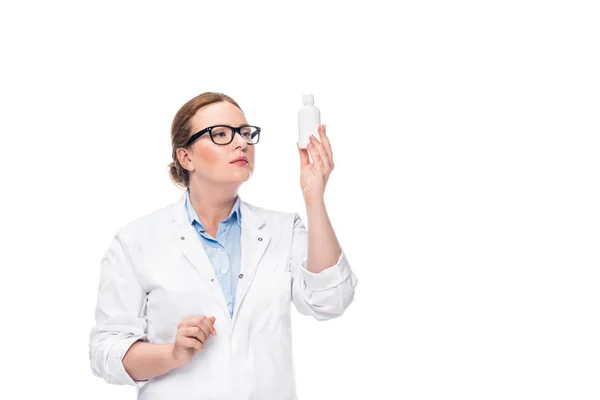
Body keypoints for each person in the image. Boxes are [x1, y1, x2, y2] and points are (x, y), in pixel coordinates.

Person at [88, 92, 358, 399]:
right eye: (220, 134)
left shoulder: (282, 230)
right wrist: (172, 354)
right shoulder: (137, 240)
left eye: (245, 133)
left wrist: (314, 198)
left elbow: (331, 300)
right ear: (185, 157)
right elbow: (105, 351)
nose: (241, 142)